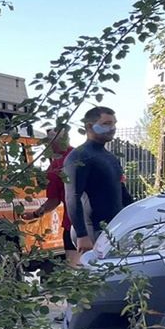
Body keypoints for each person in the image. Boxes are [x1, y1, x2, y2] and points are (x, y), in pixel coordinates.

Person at [63, 106, 122, 254]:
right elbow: (72, 196)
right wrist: (82, 235)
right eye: (106, 124)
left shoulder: (109, 157)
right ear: (89, 126)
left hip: (112, 228)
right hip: (91, 230)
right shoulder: (78, 157)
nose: (112, 128)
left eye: (114, 123)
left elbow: (121, 191)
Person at [21, 127, 76, 264]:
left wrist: (35, 214)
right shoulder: (83, 156)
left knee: (75, 267)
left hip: (73, 225)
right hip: (98, 222)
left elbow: (53, 201)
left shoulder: (55, 168)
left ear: (51, 144)